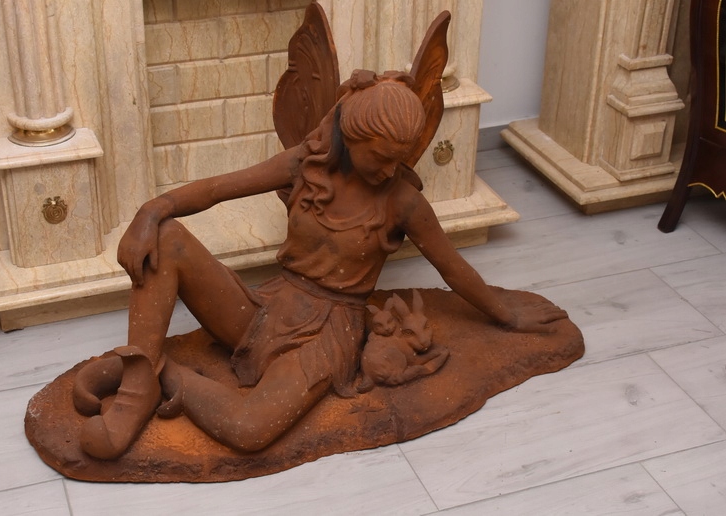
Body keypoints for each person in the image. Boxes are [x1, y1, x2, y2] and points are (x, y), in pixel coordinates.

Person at [78, 70, 567, 459]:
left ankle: (157, 371)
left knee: (250, 430)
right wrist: (150, 211)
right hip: (267, 308)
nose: (391, 170)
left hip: (328, 332)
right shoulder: (306, 165)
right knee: (165, 238)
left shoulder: (402, 201)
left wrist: (506, 313)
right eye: (381, 157)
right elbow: (215, 189)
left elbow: (452, 267)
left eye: (400, 159)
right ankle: (136, 389)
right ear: (351, 138)